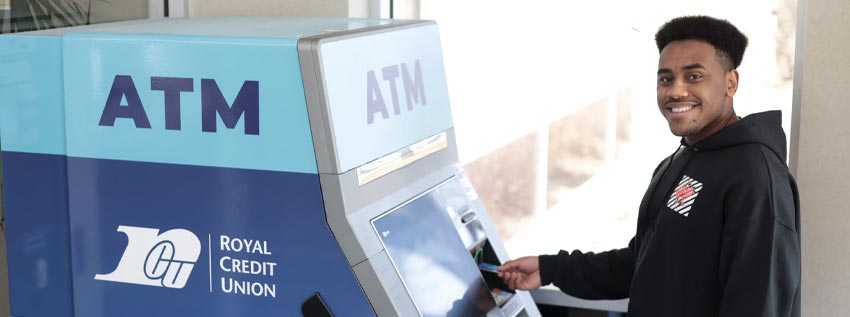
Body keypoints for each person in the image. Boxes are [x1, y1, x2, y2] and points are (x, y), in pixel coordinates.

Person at [498, 15, 800, 316]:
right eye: (666, 79)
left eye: (694, 76)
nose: (676, 91)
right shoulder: (683, 158)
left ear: (730, 83)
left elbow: (759, 306)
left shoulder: (756, 178)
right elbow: (643, 262)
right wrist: (551, 268)